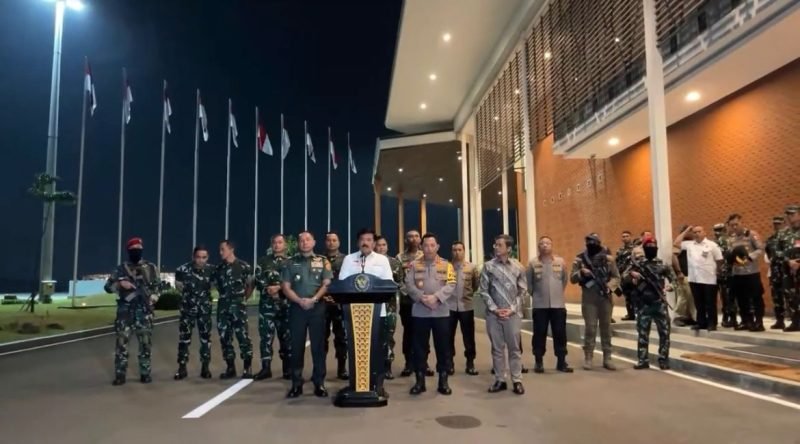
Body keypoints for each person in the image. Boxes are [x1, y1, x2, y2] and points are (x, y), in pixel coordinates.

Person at [338, 228, 394, 396]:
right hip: (354, 315)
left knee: (378, 349)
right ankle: (356, 384)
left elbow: (389, 283)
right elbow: (342, 282)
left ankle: (378, 385)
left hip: (377, 314)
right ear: (358, 242)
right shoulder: (349, 259)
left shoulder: (382, 260)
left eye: (369, 239)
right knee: (356, 349)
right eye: (362, 239)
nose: (365, 242)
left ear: (374, 243)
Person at [282, 231, 333, 398]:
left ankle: (319, 383)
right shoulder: (290, 263)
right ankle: (296, 384)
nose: (304, 242)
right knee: (296, 347)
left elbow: (326, 284)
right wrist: (299, 301)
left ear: (314, 242)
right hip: (297, 309)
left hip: (317, 308)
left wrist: (313, 299)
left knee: (318, 347)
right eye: (301, 240)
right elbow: (286, 287)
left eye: (308, 239)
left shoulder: (323, 261)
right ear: (298, 243)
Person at [105, 237, 161, 385]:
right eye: (133, 248)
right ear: (129, 250)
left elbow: (158, 286)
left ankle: (145, 373)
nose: (136, 250)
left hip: (144, 312)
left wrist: (154, 297)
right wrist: (119, 284)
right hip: (125, 313)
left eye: (139, 247)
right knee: (122, 344)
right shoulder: (121, 268)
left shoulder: (151, 267)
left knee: (145, 344)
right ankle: (120, 375)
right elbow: (107, 287)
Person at [405, 232, 456, 395]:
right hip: (420, 313)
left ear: (437, 247)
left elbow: (452, 283)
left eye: (432, 245)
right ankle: (420, 381)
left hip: (441, 313)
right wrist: (422, 298)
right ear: (421, 247)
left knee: (443, 348)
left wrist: (437, 297)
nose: (429, 248)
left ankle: (443, 380)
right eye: (425, 245)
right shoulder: (414, 265)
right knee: (419, 348)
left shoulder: (447, 265)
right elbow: (408, 284)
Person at [481, 235, 526, 394]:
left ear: (508, 248)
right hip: (494, 315)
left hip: (512, 315)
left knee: (514, 349)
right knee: (497, 349)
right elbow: (484, 291)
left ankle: (517, 380)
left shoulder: (518, 267)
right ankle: (500, 380)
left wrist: (512, 308)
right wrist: (495, 309)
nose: (495, 247)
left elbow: (523, 291)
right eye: (495, 244)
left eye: (499, 245)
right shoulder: (488, 267)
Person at [570, 234, 621, 371]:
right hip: (589, 297)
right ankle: (588, 357)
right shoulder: (580, 258)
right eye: (588, 242)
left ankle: (607, 357)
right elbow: (572, 278)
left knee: (606, 328)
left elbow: (616, 277)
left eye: (593, 242)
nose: (590, 244)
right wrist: (581, 272)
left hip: (605, 297)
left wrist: (609, 287)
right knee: (590, 328)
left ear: (599, 243)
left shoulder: (609, 259)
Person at [624, 237, 675, 370]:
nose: (651, 248)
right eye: (649, 246)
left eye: (653, 245)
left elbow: (674, 280)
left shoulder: (662, 265)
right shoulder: (638, 264)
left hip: (659, 303)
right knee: (642, 334)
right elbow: (624, 276)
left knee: (664, 333)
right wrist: (632, 274)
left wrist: (670, 287)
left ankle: (663, 359)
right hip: (643, 304)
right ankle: (643, 360)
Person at [527, 236, 572, 374]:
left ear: (552, 245)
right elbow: (529, 284)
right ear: (538, 246)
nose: (545, 245)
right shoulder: (533, 263)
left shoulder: (560, 262)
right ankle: (539, 361)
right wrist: (536, 296)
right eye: (542, 243)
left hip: (558, 305)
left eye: (547, 243)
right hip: (540, 305)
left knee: (560, 333)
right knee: (539, 333)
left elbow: (564, 280)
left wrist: (557, 294)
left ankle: (561, 361)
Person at [253, 234, 292, 380]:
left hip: (286, 307)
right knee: (266, 338)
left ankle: (287, 369)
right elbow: (258, 280)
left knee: (286, 339)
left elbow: (294, 281)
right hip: (267, 307)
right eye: (274, 242)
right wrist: (270, 289)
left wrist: (279, 289)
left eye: (280, 242)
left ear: (285, 245)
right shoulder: (263, 261)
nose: (277, 245)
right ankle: (265, 368)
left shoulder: (291, 262)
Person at [214, 240, 255, 379]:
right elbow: (217, 287)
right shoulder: (219, 268)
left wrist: (243, 299)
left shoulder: (244, 266)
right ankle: (230, 367)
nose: (220, 252)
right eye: (220, 250)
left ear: (231, 249)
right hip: (223, 307)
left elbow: (250, 285)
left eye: (222, 249)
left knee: (243, 337)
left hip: (239, 307)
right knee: (225, 338)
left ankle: (247, 368)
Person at [174, 245, 215, 380]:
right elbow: (179, 287)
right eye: (198, 257)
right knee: (184, 339)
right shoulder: (182, 270)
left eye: (204, 257)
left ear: (207, 258)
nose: (201, 260)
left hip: (204, 311)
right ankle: (182, 367)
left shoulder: (211, 270)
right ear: (193, 257)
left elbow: (214, 286)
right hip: (187, 310)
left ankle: (205, 367)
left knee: (205, 340)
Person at [396, 230, 432, 377]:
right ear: (406, 239)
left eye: (416, 236)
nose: (413, 239)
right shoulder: (400, 257)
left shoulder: (426, 256)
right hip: (407, 302)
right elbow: (398, 279)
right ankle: (408, 363)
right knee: (409, 332)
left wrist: (422, 296)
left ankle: (424, 363)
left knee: (424, 332)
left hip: (423, 302)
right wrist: (412, 294)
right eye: (410, 236)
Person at [674, 226, 724, 331]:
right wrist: (686, 231)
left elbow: (719, 259)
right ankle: (701, 322)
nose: (697, 234)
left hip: (709, 278)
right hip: (694, 279)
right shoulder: (689, 245)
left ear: (704, 233)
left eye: (699, 231)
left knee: (710, 303)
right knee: (698, 303)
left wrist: (717, 271)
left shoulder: (712, 245)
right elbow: (676, 243)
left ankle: (712, 323)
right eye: (694, 232)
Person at [727, 214, 765, 331]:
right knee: (741, 299)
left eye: (736, 224)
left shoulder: (751, 235)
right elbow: (731, 254)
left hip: (751, 272)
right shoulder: (731, 239)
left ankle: (759, 322)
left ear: (741, 223)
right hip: (737, 273)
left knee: (756, 297)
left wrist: (750, 257)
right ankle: (746, 321)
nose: (734, 227)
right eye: (732, 225)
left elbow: (761, 248)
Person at [447, 241, 479, 376]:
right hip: (449, 307)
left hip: (466, 306)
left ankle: (470, 362)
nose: (457, 252)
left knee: (469, 337)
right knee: (448, 337)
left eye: (459, 250)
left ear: (464, 251)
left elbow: (475, 285)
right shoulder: (446, 267)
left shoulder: (471, 267)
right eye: (454, 250)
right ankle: (449, 363)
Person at [376, 235, 403, 379]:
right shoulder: (367, 262)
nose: (381, 247)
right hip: (372, 307)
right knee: (373, 337)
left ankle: (387, 367)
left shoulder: (394, 263)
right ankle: (373, 366)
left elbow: (401, 283)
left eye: (383, 245)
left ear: (387, 246)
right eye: (378, 245)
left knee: (388, 337)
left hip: (390, 308)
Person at [323, 231, 349, 380]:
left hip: (340, 305)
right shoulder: (319, 259)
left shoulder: (346, 260)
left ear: (339, 242)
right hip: (322, 304)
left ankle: (342, 368)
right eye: (329, 240)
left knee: (341, 337)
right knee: (321, 338)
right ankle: (321, 368)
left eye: (334, 240)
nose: (331, 242)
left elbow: (347, 281)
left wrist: (339, 298)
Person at [777, 204, 800, 331]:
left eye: (793, 214)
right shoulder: (783, 233)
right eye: (788, 215)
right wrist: (788, 261)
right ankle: (795, 322)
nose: (791, 217)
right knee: (790, 296)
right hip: (788, 270)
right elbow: (777, 251)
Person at [671, 225, 697, 327]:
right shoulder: (681, 244)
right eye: (690, 231)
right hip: (684, 274)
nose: (692, 233)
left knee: (692, 297)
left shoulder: (695, 244)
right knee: (683, 297)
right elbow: (675, 246)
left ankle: (690, 317)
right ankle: (678, 316)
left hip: (696, 275)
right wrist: (679, 272)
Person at [765, 216, 787, 329]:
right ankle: (780, 320)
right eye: (775, 224)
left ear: (784, 223)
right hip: (775, 272)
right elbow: (769, 254)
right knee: (777, 297)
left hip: (788, 272)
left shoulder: (789, 237)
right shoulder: (770, 239)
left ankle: (796, 321)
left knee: (792, 296)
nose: (777, 226)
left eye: (779, 223)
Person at [713, 223, 736, 328]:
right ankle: (729, 318)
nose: (717, 233)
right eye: (716, 230)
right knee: (727, 297)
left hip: (723, 273)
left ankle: (729, 318)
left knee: (727, 297)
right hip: (725, 273)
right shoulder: (728, 240)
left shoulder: (721, 241)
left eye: (719, 230)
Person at [615, 231, 637, 321]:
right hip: (622, 276)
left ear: (631, 237)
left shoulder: (635, 249)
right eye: (623, 236)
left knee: (635, 294)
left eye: (627, 236)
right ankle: (630, 314)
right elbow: (617, 263)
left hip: (632, 275)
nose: (625, 238)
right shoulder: (619, 250)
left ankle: (638, 313)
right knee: (627, 295)